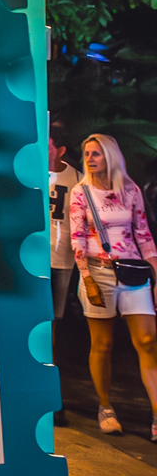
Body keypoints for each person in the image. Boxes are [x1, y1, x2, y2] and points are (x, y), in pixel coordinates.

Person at [69, 133, 157, 440]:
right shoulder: (82, 192)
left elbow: (143, 235)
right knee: (102, 344)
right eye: (87, 154)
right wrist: (87, 278)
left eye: (96, 153)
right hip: (98, 270)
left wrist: (156, 274)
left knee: (147, 340)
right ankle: (105, 407)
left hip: (132, 271)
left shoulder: (130, 189)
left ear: (111, 156)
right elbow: (77, 239)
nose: (91, 159)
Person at [47, 125, 81, 425]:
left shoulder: (77, 179)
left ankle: (53, 397)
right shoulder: (31, 172)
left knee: (53, 326)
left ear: (60, 151)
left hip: (62, 262)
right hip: (33, 259)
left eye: (47, 147)